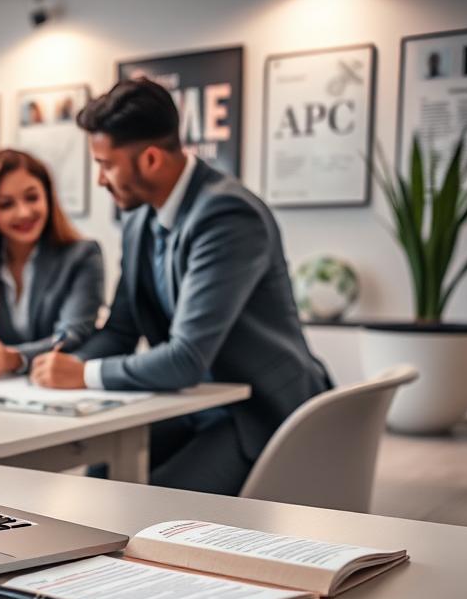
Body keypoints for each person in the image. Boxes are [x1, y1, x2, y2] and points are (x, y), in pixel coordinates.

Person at [31, 78, 332, 495]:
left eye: (105, 164)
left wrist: (83, 373)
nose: (100, 179)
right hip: (190, 403)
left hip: (257, 412)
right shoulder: (138, 219)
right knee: (101, 483)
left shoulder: (226, 215)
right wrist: (54, 368)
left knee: (153, 509)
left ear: (151, 159)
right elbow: (120, 329)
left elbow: (186, 358)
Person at [0, 149, 104, 378]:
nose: (23, 212)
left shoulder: (82, 256)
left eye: (32, 197)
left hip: (58, 387)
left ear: (48, 197)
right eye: (6, 204)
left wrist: (14, 358)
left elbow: (72, 335)